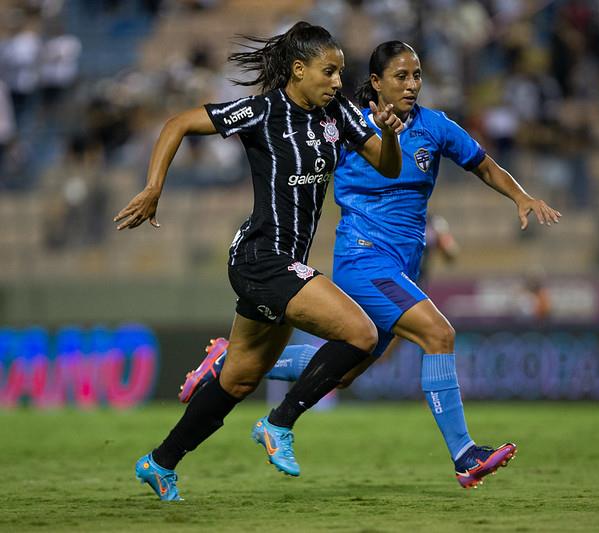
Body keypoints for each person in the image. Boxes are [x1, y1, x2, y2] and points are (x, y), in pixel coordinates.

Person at [179, 41, 561, 489]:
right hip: (363, 261)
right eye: (401, 76)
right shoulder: (345, 125)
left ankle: (231, 359)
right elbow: (302, 158)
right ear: (376, 83)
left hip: (401, 266)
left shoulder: (436, 127)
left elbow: (483, 165)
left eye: (417, 76)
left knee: (343, 373)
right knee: (439, 334)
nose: (412, 85)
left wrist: (521, 195)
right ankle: (464, 454)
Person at [114, 22, 403, 501]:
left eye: (340, 72)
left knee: (240, 379)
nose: (337, 81)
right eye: (328, 71)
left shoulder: (339, 113)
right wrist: (154, 187)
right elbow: (178, 124)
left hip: (283, 263)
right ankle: (279, 424)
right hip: (260, 258)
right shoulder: (264, 111)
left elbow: (387, 165)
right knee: (362, 333)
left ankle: (160, 462)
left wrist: (390, 135)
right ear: (298, 69)